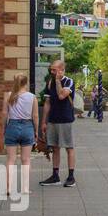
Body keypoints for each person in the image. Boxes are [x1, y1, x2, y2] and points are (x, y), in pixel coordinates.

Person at [40, 60, 77, 188]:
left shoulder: (68, 81)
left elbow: (62, 96)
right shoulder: (49, 82)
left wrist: (57, 81)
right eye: (51, 70)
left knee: (69, 147)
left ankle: (71, 176)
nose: (52, 72)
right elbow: (47, 102)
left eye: (54, 70)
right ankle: (55, 175)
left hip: (65, 119)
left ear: (62, 70)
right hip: (53, 119)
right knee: (55, 147)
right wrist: (44, 121)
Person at [2, 74, 36, 198]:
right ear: (26, 83)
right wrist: (36, 130)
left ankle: (9, 188)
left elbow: (4, 113)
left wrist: (4, 128)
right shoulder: (32, 97)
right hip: (27, 127)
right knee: (26, 159)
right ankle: (25, 188)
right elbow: (35, 116)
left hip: (12, 126)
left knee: (11, 159)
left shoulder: (8, 96)